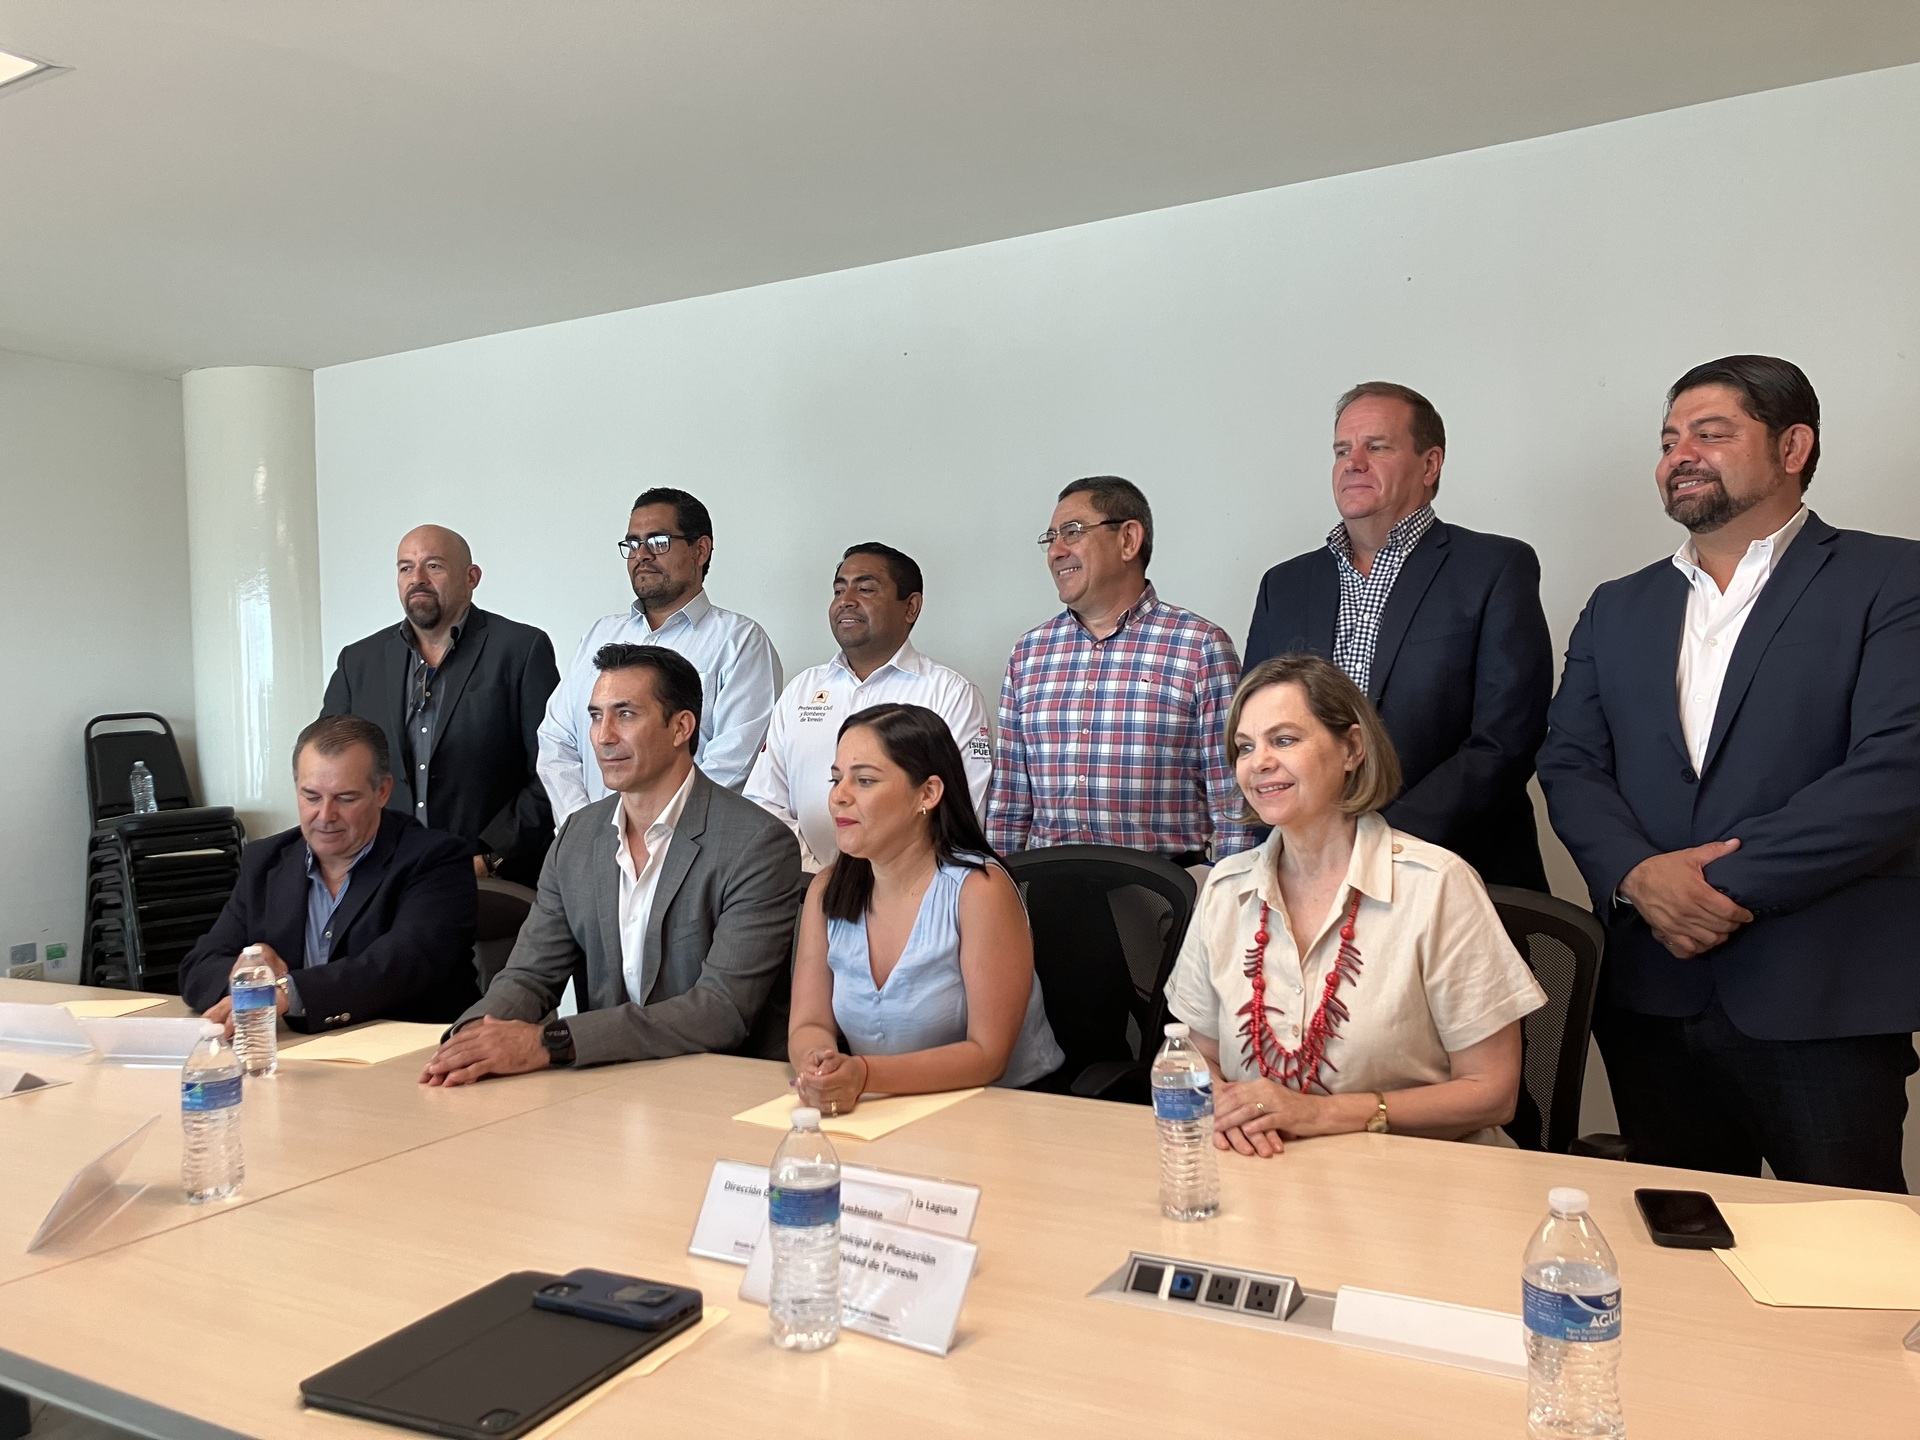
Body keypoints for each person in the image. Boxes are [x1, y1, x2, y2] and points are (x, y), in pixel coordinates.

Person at [1538, 355, 1920, 1192]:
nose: (1681, 455)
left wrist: (1711, 888)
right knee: (1675, 1248)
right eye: (1669, 440)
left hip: (1822, 994)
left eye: (1710, 434)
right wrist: (1638, 877)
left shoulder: (1894, 578)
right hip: (1651, 993)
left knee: (1844, 1255)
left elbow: (1896, 770)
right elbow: (1569, 760)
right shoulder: (1617, 605)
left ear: (1793, 447)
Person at [1164, 655, 1546, 1154]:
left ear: (1351, 748)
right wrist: (1223, 1105)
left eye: (1284, 740)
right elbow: (1197, 1054)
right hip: (1268, 1170)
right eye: (1245, 747)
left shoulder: (1437, 885)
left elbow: (1492, 1093)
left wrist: (1318, 1114)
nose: (1259, 762)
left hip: (1422, 1176)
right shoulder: (1224, 888)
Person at [423, 644, 804, 1083]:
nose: (603, 737)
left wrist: (550, 1042)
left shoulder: (757, 844)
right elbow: (529, 976)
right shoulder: (577, 836)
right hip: (608, 1083)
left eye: (625, 714)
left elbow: (721, 1011)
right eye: (595, 716)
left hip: (723, 1085)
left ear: (681, 727)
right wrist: (471, 1037)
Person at [1243, 382, 1553, 889]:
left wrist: (1378, 843)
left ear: (1430, 465)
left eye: (1377, 446)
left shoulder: (1494, 568)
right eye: (1342, 450)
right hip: (1307, 872)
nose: (1353, 463)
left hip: (1452, 870)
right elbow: (1256, 733)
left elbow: (1506, 739)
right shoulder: (1285, 585)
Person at [787, 704, 1062, 1114]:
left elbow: (988, 1056)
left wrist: (864, 1075)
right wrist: (819, 1066)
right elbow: (809, 1023)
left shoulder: (979, 890)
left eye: (864, 780)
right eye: (836, 778)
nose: (839, 796)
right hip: (880, 1110)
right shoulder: (827, 890)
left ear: (928, 794)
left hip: (1005, 1112)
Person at [988, 475, 1252, 863]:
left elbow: (1233, 797)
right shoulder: (1029, 654)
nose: (1056, 552)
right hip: (1048, 887)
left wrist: (1234, 891)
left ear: (1128, 540)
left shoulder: (1199, 646)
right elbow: (1008, 805)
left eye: (1072, 532)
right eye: (1051, 538)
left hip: (1165, 890)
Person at [180, 715, 478, 1032]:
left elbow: (400, 965)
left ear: (382, 791)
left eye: (345, 798)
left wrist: (286, 992)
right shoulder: (265, 861)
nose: (325, 815)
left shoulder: (436, 859)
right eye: (311, 796)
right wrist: (247, 976)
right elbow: (198, 967)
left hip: (411, 1047)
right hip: (295, 1049)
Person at [319, 524, 560, 885]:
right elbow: (328, 767)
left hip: (491, 881)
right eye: (406, 567)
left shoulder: (521, 650)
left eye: (433, 566)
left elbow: (553, 768)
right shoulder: (358, 662)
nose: (417, 578)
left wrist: (490, 859)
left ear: (471, 577)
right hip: (386, 878)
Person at [746, 543, 991, 870]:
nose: (846, 600)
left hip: (911, 889)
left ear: (911, 607)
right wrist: (816, 876)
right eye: (838, 590)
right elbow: (764, 803)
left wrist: (880, 885)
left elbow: (960, 814)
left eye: (865, 589)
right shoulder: (801, 690)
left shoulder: (951, 694)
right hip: (802, 884)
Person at [538, 488, 781, 818]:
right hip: (591, 838)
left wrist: (657, 829)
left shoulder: (739, 641)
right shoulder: (599, 635)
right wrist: (585, 826)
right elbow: (556, 741)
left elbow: (735, 760)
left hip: (689, 840)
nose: (642, 555)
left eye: (658, 541)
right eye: (633, 544)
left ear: (700, 550)